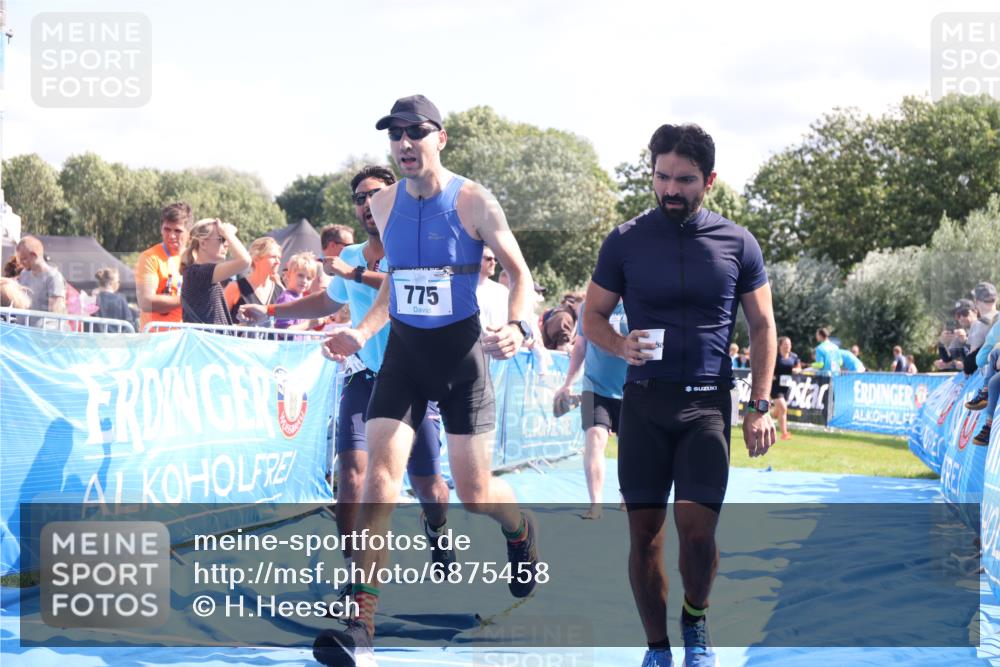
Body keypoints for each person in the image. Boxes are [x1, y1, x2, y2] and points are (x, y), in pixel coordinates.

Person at [314, 95, 540, 666]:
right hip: (407, 357)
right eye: (395, 134)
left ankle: (519, 533)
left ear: (440, 138)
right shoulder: (385, 204)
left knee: (474, 494)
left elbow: (520, 273)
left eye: (416, 132)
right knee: (379, 481)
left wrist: (516, 325)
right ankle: (361, 620)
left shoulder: (472, 200)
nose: (405, 142)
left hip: (461, 355)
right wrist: (363, 335)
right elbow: (396, 284)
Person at [583, 123, 775, 667]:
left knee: (696, 534)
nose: (671, 189)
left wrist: (760, 405)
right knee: (644, 535)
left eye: (684, 179)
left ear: (709, 181)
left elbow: (762, 326)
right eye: (662, 177)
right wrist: (620, 345)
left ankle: (695, 620)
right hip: (644, 406)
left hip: (706, 408)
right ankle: (657, 649)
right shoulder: (625, 239)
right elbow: (591, 316)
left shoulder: (738, 242)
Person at [239, 165, 454, 602]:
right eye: (359, 198)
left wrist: (353, 275)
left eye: (375, 194)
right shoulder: (351, 256)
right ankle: (356, 573)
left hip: (414, 377)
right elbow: (327, 299)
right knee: (351, 474)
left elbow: (403, 288)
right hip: (363, 375)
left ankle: (438, 529)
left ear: (394, 197)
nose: (367, 204)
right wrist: (273, 313)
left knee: (428, 485)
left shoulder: (415, 245)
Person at [555, 299, 628, 519]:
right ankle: (596, 504)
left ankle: (626, 496)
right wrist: (567, 383)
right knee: (595, 438)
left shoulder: (638, 301)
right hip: (595, 387)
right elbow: (580, 346)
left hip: (631, 389)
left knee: (630, 447)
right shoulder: (589, 306)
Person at [180, 218, 251, 326]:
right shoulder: (198, 273)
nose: (226, 244)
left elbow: (214, 321)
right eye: (222, 239)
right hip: (205, 342)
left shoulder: (199, 273)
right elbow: (245, 261)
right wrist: (229, 234)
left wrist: (243, 325)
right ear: (203, 243)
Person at [136, 202, 191, 331]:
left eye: (177, 231)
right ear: (161, 228)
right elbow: (146, 302)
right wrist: (188, 300)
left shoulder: (194, 258)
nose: (171, 236)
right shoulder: (149, 257)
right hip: (154, 340)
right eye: (167, 229)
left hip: (184, 339)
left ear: (189, 232)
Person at [224, 236, 283, 323]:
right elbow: (218, 321)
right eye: (273, 257)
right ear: (256, 258)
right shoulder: (235, 287)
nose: (278, 262)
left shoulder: (279, 290)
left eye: (279, 258)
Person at [14, 236, 66, 319]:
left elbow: (56, 313)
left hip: (42, 331)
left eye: (23, 259)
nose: (20, 263)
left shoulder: (53, 277)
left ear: (34, 255)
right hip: (24, 330)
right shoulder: (24, 274)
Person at [273, 252, 327, 331]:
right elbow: (283, 331)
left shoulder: (301, 299)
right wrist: (310, 323)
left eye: (309, 278)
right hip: (287, 343)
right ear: (288, 275)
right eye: (300, 275)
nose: (304, 281)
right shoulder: (286, 299)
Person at [770, 336, 801, 440]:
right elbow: (768, 367)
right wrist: (771, 375)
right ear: (780, 345)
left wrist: (797, 370)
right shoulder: (775, 356)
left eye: (790, 344)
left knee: (778, 411)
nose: (788, 346)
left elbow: (798, 367)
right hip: (775, 385)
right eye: (786, 344)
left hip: (786, 386)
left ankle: (769, 416)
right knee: (783, 408)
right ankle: (784, 433)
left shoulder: (794, 356)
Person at [476, 245, 509, 329]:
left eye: (495, 259)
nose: (493, 262)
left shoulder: (502, 291)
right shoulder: (465, 290)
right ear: (476, 259)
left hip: (497, 340)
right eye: (488, 259)